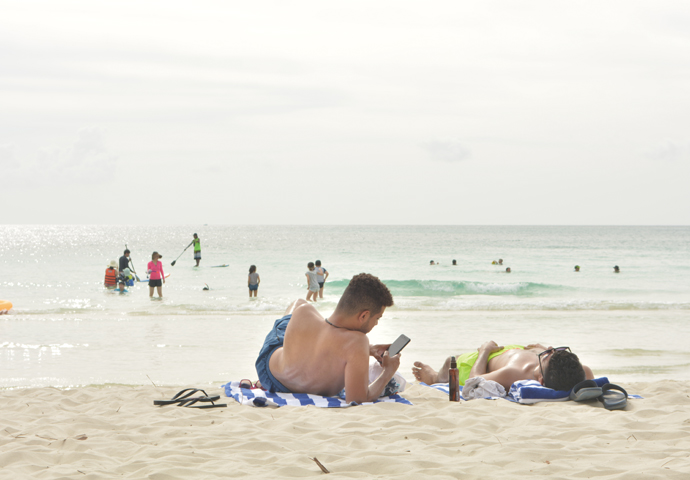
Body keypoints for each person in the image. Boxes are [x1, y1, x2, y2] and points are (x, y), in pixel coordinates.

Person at [255, 273, 397, 403]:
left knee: (299, 304)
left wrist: (369, 349)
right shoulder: (358, 343)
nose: (377, 323)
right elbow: (358, 399)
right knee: (302, 309)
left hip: (269, 373)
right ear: (364, 316)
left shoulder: (303, 312)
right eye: (377, 318)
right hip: (276, 375)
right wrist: (388, 372)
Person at [412, 342, 593, 392]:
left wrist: (485, 350)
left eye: (545, 357)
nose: (549, 352)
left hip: (486, 359)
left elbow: (473, 380)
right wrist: (545, 349)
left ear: (540, 380)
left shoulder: (514, 373)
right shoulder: (581, 371)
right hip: (513, 351)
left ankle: (434, 377)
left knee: (452, 361)